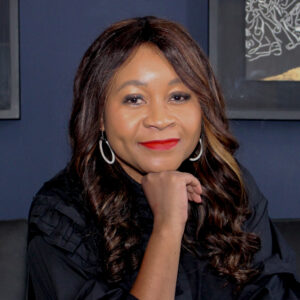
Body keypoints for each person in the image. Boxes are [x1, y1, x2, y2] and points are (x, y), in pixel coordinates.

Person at [27, 16, 300, 299]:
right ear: (99, 117)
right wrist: (168, 226)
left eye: (178, 96)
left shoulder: (229, 186)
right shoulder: (60, 213)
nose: (159, 119)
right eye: (134, 99)